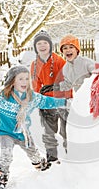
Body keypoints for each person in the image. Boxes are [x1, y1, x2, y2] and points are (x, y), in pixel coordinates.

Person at [0, 66, 67, 189]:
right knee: (6, 154)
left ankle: (40, 164)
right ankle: (0, 180)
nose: (24, 82)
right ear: (12, 81)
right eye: (20, 79)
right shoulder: (2, 97)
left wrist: (65, 102)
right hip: (6, 133)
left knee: (33, 153)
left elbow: (48, 101)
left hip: (23, 133)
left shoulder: (32, 98)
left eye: (27, 79)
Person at [30, 30, 72, 163]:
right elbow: (36, 85)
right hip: (46, 102)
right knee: (48, 131)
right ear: (35, 47)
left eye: (45, 43)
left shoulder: (59, 61)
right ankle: (52, 158)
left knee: (66, 131)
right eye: (39, 44)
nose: (42, 46)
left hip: (61, 100)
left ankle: (69, 156)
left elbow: (67, 82)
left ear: (50, 45)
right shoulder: (34, 65)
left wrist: (67, 99)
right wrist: (37, 101)